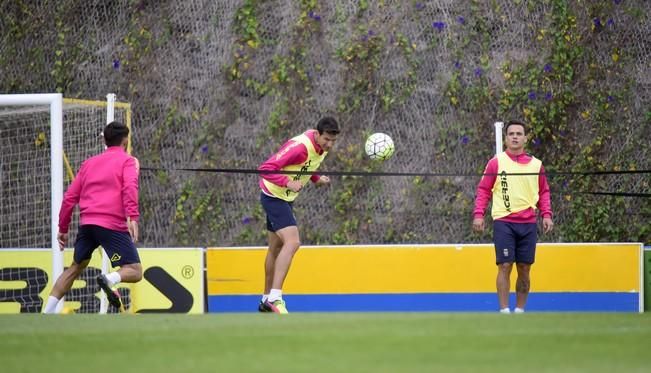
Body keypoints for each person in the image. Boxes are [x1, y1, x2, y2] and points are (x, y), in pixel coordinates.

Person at [42, 121, 142, 314]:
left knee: (74, 268)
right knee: (135, 270)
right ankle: (110, 280)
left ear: (105, 141)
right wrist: (133, 216)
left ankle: (46, 313)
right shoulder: (128, 161)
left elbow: (70, 197)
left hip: (88, 226)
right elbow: (130, 187)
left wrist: (63, 229)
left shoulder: (89, 163)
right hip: (110, 226)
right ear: (125, 141)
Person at [257, 117, 340, 314]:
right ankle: (275, 298)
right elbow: (265, 169)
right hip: (274, 197)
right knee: (293, 243)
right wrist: (287, 182)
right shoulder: (299, 147)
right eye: (326, 139)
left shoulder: (320, 147)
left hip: (285, 198)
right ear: (317, 134)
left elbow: (305, 165)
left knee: (275, 249)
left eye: (333, 141)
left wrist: (315, 178)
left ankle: (265, 299)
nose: (329, 144)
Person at [472, 120, 553, 314]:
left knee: (524, 268)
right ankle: (503, 311)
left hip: (528, 224)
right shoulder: (496, 162)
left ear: (525, 138)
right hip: (504, 222)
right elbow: (484, 190)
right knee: (505, 265)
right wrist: (478, 215)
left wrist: (546, 215)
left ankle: (520, 310)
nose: (515, 137)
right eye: (511, 134)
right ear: (506, 138)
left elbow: (544, 192)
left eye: (519, 133)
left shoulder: (536, 165)